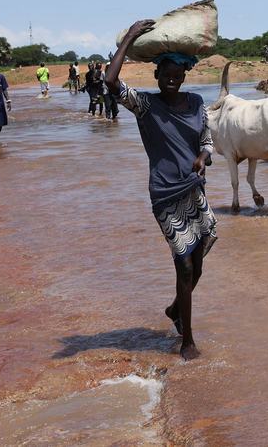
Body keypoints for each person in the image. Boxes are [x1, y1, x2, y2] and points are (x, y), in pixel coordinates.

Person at [106, 19, 215, 361]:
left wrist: (203, 156)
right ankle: (187, 340)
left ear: (184, 77)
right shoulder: (147, 107)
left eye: (177, 75)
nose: (171, 79)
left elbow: (207, 139)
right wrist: (129, 37)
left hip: (194, 190)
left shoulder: (197, 103)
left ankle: (174, 309)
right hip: (166, 195)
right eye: (165, 74)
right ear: (156, 76)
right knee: (183, 267)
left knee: (197, 265)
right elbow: (110, 82)